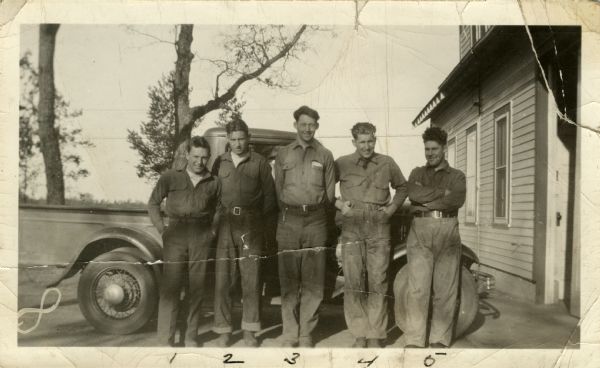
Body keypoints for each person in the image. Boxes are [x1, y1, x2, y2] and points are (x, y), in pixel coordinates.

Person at [334, 122, 408, 348]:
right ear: (354, 142)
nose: (367, 146)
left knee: (378, 280)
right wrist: (339, 204)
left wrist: (391, 209)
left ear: (375, 140)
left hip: (379, 225)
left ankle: (376, 333)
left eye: (370, 141)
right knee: (354, 281)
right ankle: (359, 334)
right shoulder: (342, 163)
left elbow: (403, 188)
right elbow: (324, 189)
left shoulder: (387, 162)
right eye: (362, 142)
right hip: (352, 224)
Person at [148, 136, 220, 347]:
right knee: (170, 288)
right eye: (196, 156)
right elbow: (153, 204)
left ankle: (190, 337)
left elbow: (219, 210)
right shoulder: (170, 177)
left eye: (204, 158)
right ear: (187, 155)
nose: (199, 162)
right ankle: (165, 340)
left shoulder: (214, 182)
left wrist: (212, 232)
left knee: (196, 289)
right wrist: (163, 229)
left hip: (201, 237)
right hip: (176, 236)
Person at [274, 105, 336, 347]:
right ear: (295, 126)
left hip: (316, 220)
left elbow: (330, 194)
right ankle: (290, 332)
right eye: (303, 124)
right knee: (289, 280)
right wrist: (291, 211)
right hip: (289, 220)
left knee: (314, 280)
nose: (307, 128)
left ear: (317, 126)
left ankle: (306, 333)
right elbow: (278, 189)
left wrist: (315, 212)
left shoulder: (325, 155)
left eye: (312, 124)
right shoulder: (283, 154)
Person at [211, 118, 277, 347]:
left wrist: (263, 228)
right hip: (226, 225)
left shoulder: (259, 162)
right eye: (233, 139)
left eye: (241, 138)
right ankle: (223, 330)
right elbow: (213, 195)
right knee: (224, 280)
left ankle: (250, 329)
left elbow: (270, 198)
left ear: (248, 138)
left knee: (251, 279)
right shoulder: (220, 162)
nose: (238, 144)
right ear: (228, 140)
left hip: (251, 226)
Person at [403, 126, 466, 349]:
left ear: (444, 148)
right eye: (426, 149)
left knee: (445, 289)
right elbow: (413, 193)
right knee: (417, 289)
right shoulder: (416, 173)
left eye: (434, 149)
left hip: (447, 229)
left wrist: (427, 199)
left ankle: (439, 339)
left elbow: (456, 199)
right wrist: (441, 193)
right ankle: (414, 340)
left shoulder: (457, 176)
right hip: (420, 228)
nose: (430, 154)